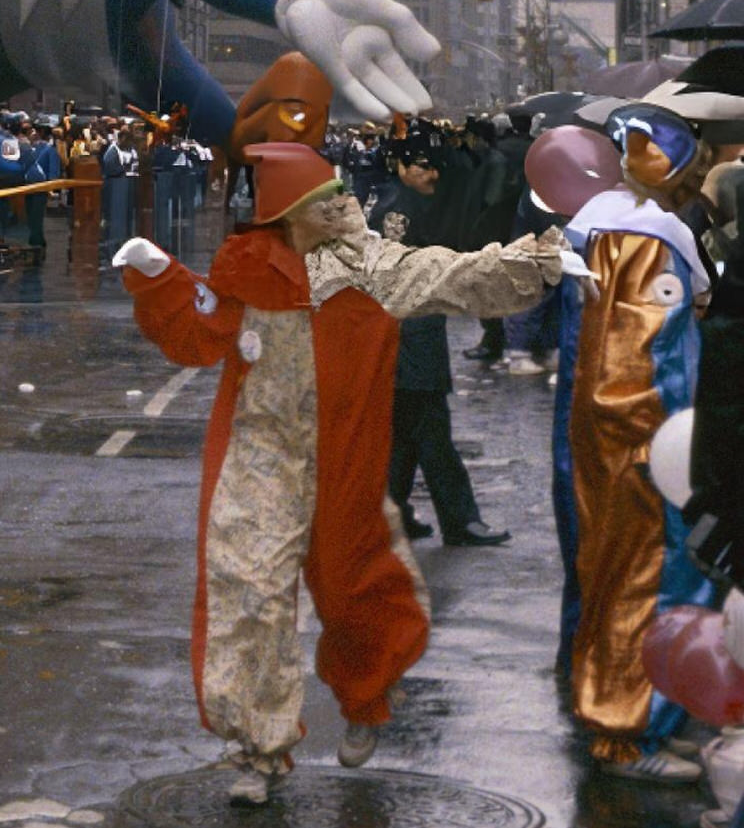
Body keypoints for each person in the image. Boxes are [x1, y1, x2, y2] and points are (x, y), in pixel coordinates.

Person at [116, 141, 562, 806]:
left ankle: (366, 694)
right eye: (322, 198)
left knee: (353, 583)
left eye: (337, 194)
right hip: (260, 451)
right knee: (252, 589)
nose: (342, 203)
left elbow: (453, 274)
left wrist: (537, 262)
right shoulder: (250, 267)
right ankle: (259, 748)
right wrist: (157, 277)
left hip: (342, 452)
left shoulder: (369, 265)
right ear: (290, 210)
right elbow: (198, 332)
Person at [562, 102, 714, 786]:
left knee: (603, 563)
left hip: (594, 435)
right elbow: (646, 357)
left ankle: (624, 712)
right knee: (642, 572)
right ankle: (626, 725)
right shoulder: (649, 235)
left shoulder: (593, 223)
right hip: (641, 436)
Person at [367, 128, 509, 548]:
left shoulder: (409, 202)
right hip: (409, 330)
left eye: (435, 168)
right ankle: (460, 519)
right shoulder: (398, 212)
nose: (432, 175)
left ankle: (390, 512)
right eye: (423, 167)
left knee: (405, 431)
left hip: (411, 327)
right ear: (401, 166)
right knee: (431, 430)